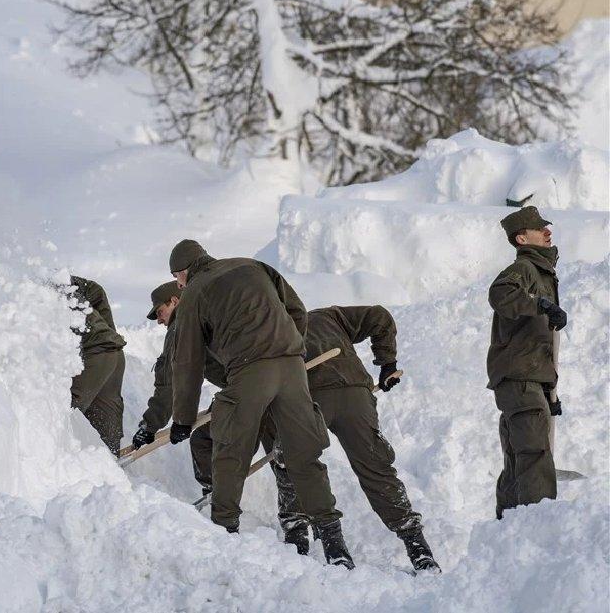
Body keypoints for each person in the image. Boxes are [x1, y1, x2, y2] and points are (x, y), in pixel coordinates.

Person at [166, 239, 355, 569]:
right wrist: (288, 347)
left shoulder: (194, 292)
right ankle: (335, 545)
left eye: (176, 278)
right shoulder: (253, 266)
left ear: (184, 271)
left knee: (231, 451)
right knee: (304, 453)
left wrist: (182, 418)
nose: (178, 285)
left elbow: (188, 360)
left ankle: (225, 533)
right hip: (292, 367)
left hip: (250, 369)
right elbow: (297, 310)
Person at [131, 281, 306, 551]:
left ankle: (221, 506)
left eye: (160, 312)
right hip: (277, 382)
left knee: (219, 443)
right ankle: (296, 528)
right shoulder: (212, 312)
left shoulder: (182, 327)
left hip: (248, 392)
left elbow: (170, 381)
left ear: (175, 301)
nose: (159, 320)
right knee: (280, 454)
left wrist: (150, 425)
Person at [289, 305, 441, 572]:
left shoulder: (272, 327)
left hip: (310, 398)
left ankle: (320, 543)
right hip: (355, 395)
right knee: (376, 468)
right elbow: (379, 316)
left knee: (298, 464)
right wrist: (387, 364)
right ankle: (418, 549)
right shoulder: (329, 316)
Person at [488, 206, 566, 519]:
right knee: (534, 457)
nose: (548, 232)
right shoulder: (524, 268)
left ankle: (506, 530)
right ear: (522, 238)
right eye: (539, 229)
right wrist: (541, 304)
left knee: (519, 459)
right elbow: (500, 293)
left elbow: (538, 344)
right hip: (520, 379)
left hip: (528, 379)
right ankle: (537, 528)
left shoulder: (542, 273)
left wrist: (550, 395)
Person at [69, 275, 127, 454]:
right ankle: (110, 461)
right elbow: (97, 291)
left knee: (63, 413)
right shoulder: (62, 281)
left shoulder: (31, 286)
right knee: (105, 416)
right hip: (112, 350)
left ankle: (54, 461)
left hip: (94, 353)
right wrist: (107, 333)